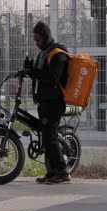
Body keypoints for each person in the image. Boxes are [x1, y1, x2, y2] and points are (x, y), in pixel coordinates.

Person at [23, 21, 71, 185]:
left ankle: (63, 171)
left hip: (54, 102)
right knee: (45, 137)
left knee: (50, 137)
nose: (37, 44)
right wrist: (29, 69)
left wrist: (34, 72)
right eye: (35, 41)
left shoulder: (58, 54)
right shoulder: (44, 54)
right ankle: (52, 172)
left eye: (39, 40)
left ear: (46, 37)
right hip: (45, 102)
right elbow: (39, 75)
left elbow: (53, 78)